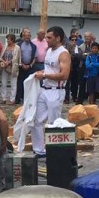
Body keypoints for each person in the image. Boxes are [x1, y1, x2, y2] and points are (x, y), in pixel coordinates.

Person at [30, 26, 71, 158]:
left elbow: (64, 75)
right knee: (36, 120)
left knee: (54, 122)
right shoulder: (48, 50)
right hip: (44, 89)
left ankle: (55, 151)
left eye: (49, 37)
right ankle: (39, 150)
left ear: (58, 38)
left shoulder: (63, 53)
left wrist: (45, 75)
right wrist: (43, 74)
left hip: (56, 91)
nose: (46, 40)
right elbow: (48, 69)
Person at [16, 28, 36, 104]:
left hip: (30, 67)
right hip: (21, 66)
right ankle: (18, 98)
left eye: (29, 36)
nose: (27, 37)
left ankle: (26, 98)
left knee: (28, 83)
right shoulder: (19, 45)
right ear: (23, 36)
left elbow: (35, 57)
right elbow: (17, 56)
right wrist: (22, 64)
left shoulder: (33, 46)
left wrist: (30, 65)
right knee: (20, 83)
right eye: (26, 36)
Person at [0, 34, 19, 103]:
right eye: (7, 39)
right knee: (3, 83)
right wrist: (3, 62)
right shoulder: (5, 46)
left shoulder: (17, 48)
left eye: (8, 39)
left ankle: (12, 99)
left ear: (12, 40)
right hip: (5, 67)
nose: (7, 41)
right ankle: (3, 98)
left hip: (13, 67)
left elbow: (17, 58)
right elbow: (1, 56)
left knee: (13, 83)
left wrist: (9, 62)